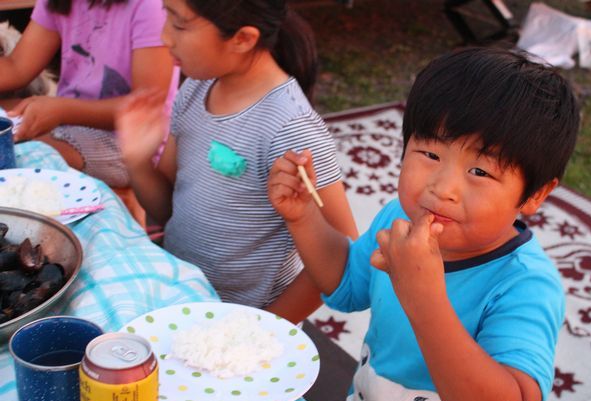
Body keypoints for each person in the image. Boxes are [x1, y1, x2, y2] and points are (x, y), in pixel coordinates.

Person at [268, 47, 580, 401]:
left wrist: (425, 298)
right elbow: (343, 285)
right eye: (431, 154)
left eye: (480, 172)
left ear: (535, 194)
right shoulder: (402, 217)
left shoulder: (524, 285)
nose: (443, 187)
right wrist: (303, 216)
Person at [115, 0, 357, 316]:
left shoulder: (291, 130)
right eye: (166, 17)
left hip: (243, 327)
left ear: (243, 39)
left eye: (179, 24)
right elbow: (167, 209)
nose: (164, 37)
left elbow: (344, 258)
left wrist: (266, 328)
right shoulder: (197, 88)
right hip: (181, 300)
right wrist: (137, 161)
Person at [0, 0, 178, 188]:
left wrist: (61, 111)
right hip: (67, 123)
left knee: (26, 155)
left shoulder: (149, 6)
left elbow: (146, 106)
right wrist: (60, 112)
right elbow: (17, 67)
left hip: (134, 144)